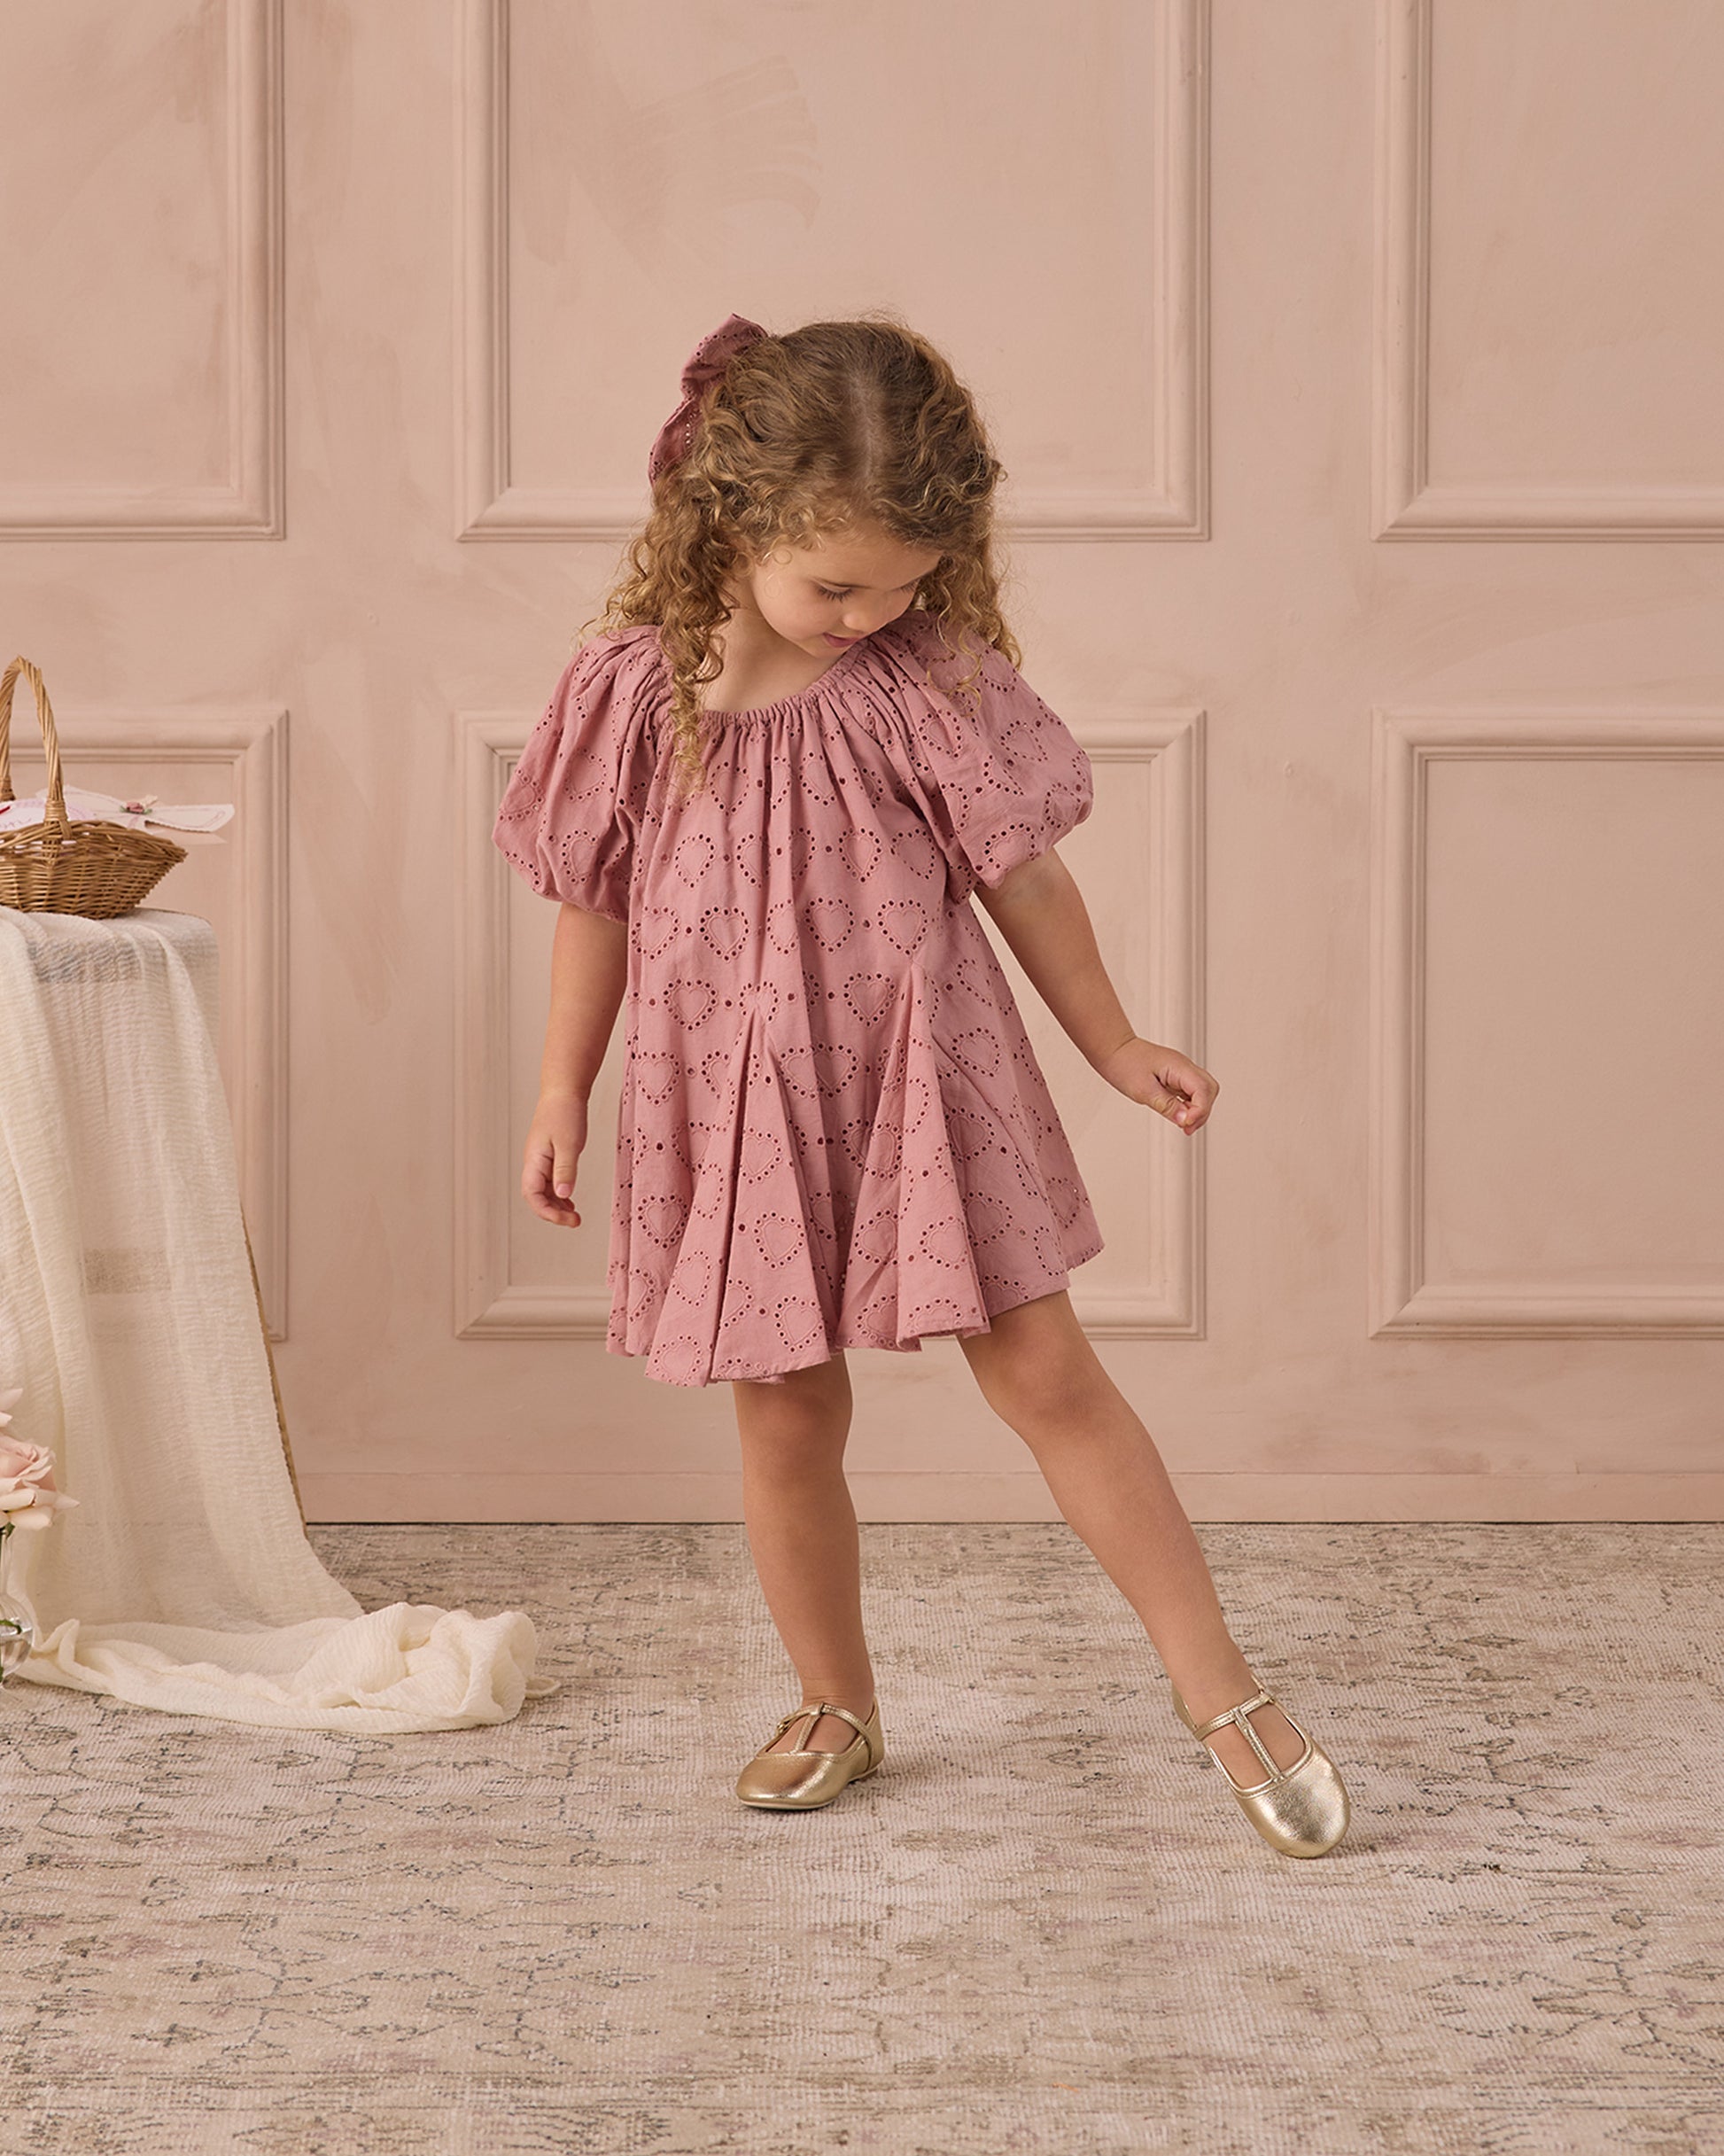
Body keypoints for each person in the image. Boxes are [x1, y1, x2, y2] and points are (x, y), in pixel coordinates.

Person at [493, 311, 1350, 1859]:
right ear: (732, 522)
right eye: (839, 585)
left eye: (905, 585)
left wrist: (1111, 1039)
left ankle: (1223, 1692)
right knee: (784, 1409)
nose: (869, 614)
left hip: (919, 1081)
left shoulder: (920, 681)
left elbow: (1024, 884)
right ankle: (835, 1699)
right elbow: (595, 903)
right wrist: (563, 1085)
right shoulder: (628, 695)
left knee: (1047, 1378)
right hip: (733, 1101)